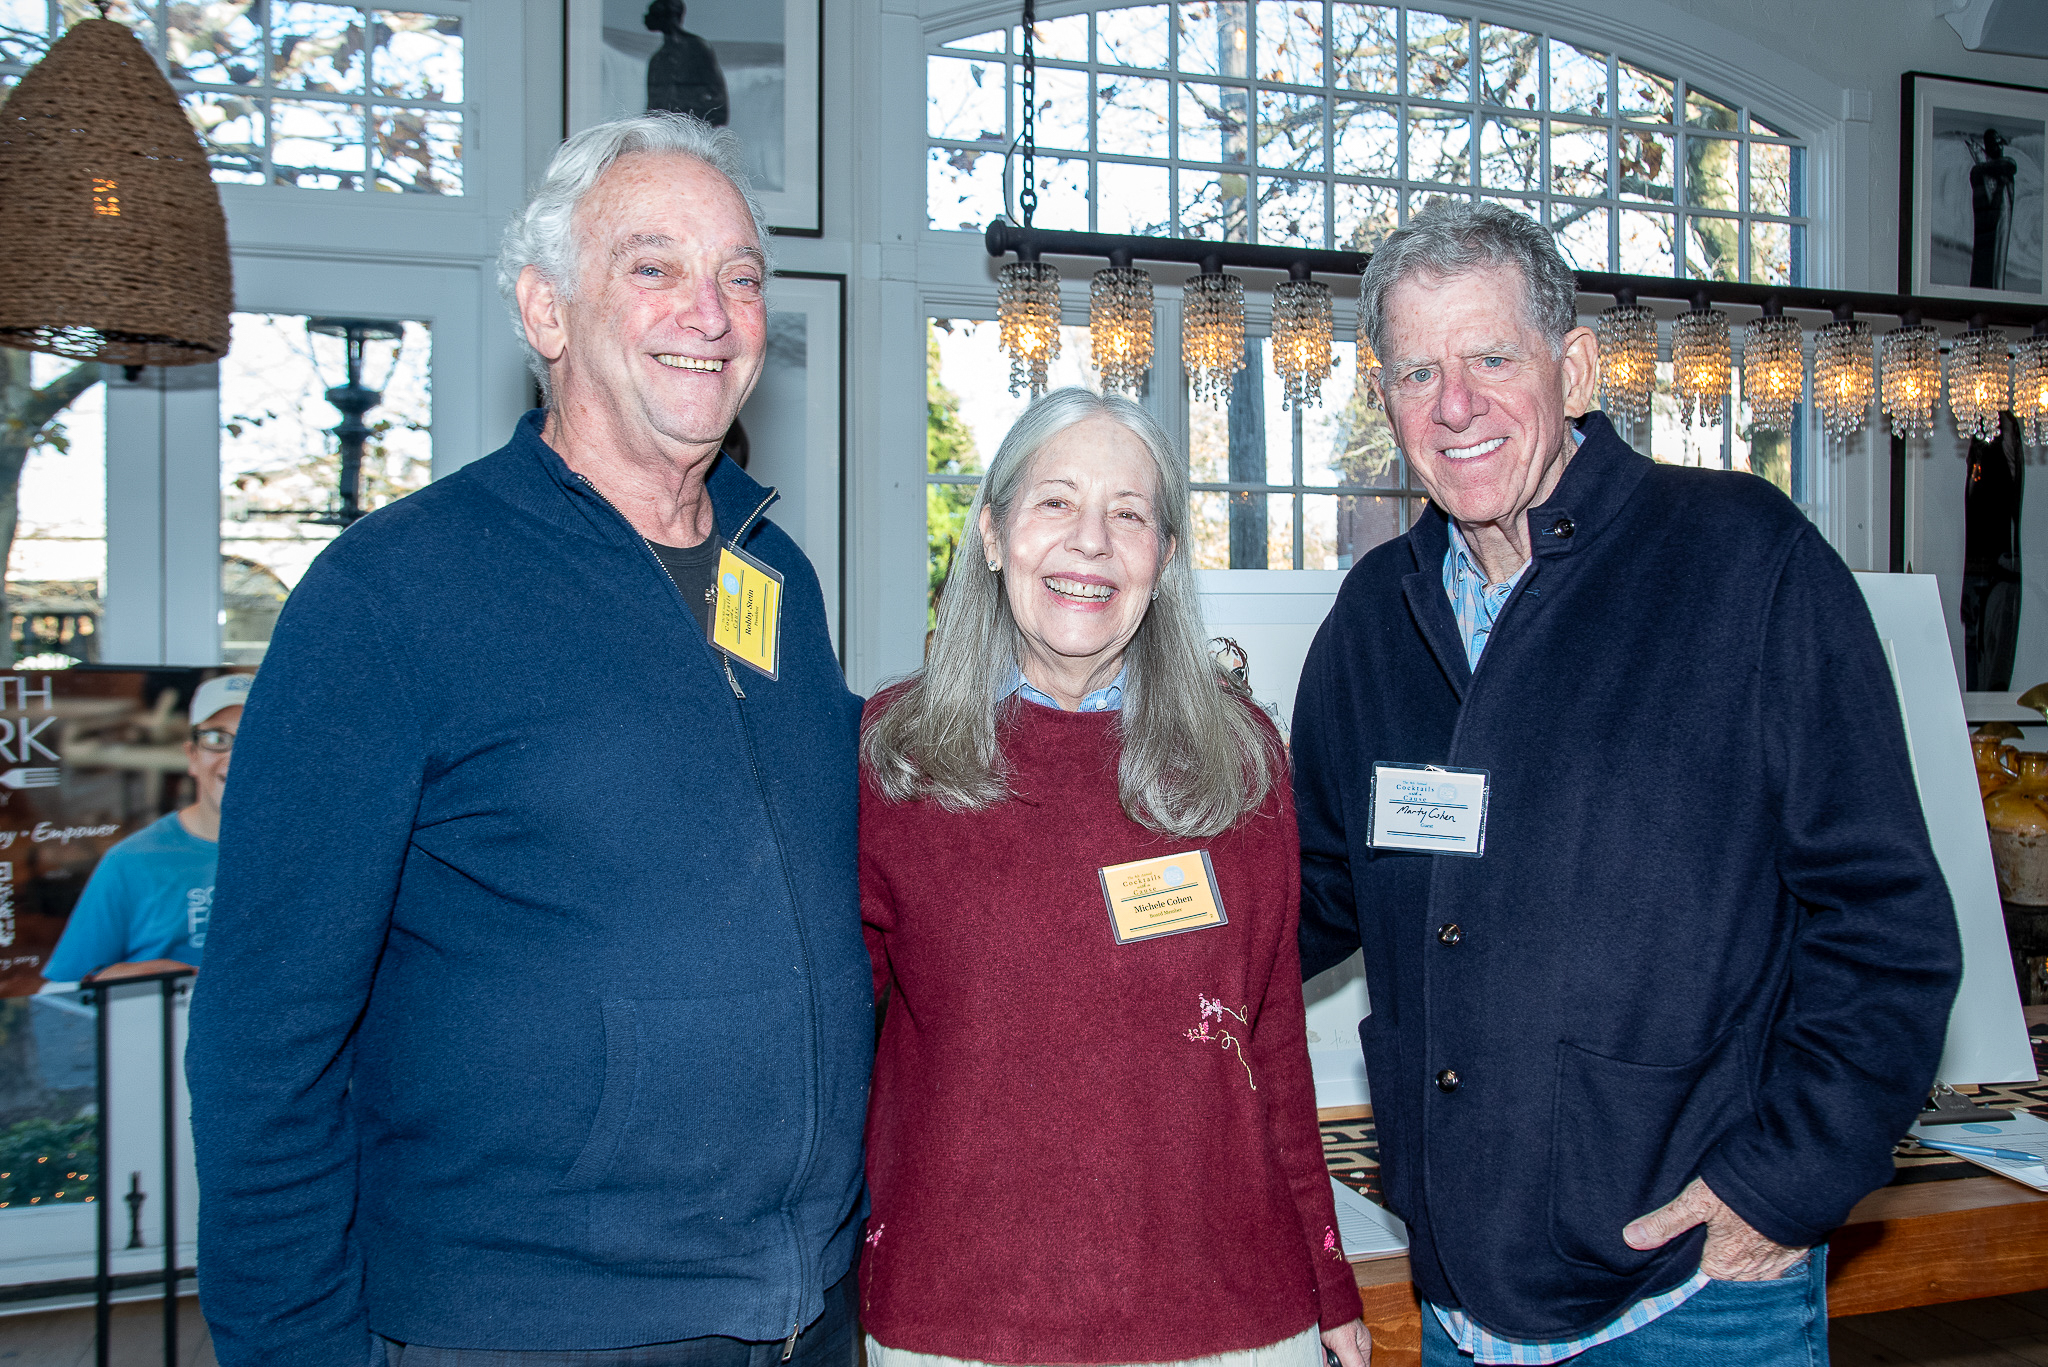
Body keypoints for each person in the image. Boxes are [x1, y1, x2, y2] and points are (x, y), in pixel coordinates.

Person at [185, 111, 870, 1366]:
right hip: (526, 1326)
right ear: (546, 313)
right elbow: (262, 1045)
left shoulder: (777, 576)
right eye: (652, 265)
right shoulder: (388, 596)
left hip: (801, 1314)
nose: (708, 311)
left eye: (739, 274)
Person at [1292, 200, 1963, 1366]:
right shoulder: (1371, 617)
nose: (1453, 405)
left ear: (1575, 364)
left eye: (1490, 357)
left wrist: (1783, 1181)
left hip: (1692, 1298)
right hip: (1459, 1294)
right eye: (1415, 371)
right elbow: (1303, 891)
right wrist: (1094, 910)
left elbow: (1884, 922)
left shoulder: (1743, 561)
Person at [859, 388, 1370, 1367]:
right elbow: (841, 1050)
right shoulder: (896, 759)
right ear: (994, 532)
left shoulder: (1237, 756)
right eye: (1054, 502)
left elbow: (1269, 1037)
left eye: (1128, 513)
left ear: (1163, 557)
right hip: (960, 1324)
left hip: (1230, 1321)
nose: (1089, 541)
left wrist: (1328, 1269)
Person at [41, 672, 250, 985]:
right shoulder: (131, 862)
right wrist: (117, 979)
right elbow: (61, 996)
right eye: (217, 739)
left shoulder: (310, 856)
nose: (235, 759)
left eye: (255, 739)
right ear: (192, 756)